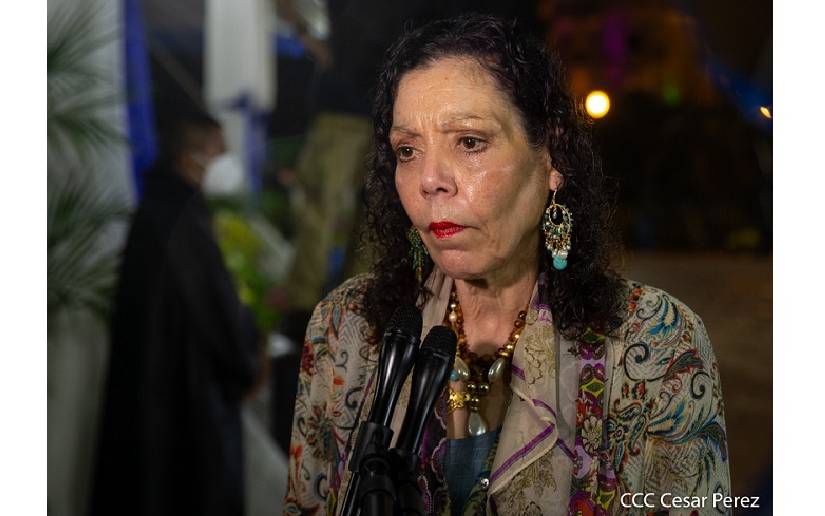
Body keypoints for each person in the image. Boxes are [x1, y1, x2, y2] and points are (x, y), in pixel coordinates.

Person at [283, 14, 730, 516]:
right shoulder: (345, 328)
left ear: (551, 157)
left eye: (470, 142)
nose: (430, 179)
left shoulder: (656, 345)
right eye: (407, 150)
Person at [91, 107, 262, 516]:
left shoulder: (155, 211)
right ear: (190, 158)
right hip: (185, 412)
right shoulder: (184, 223)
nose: (226, 161)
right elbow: (219, 317)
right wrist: (249, 357)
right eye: (219, 151)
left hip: (149, 403)